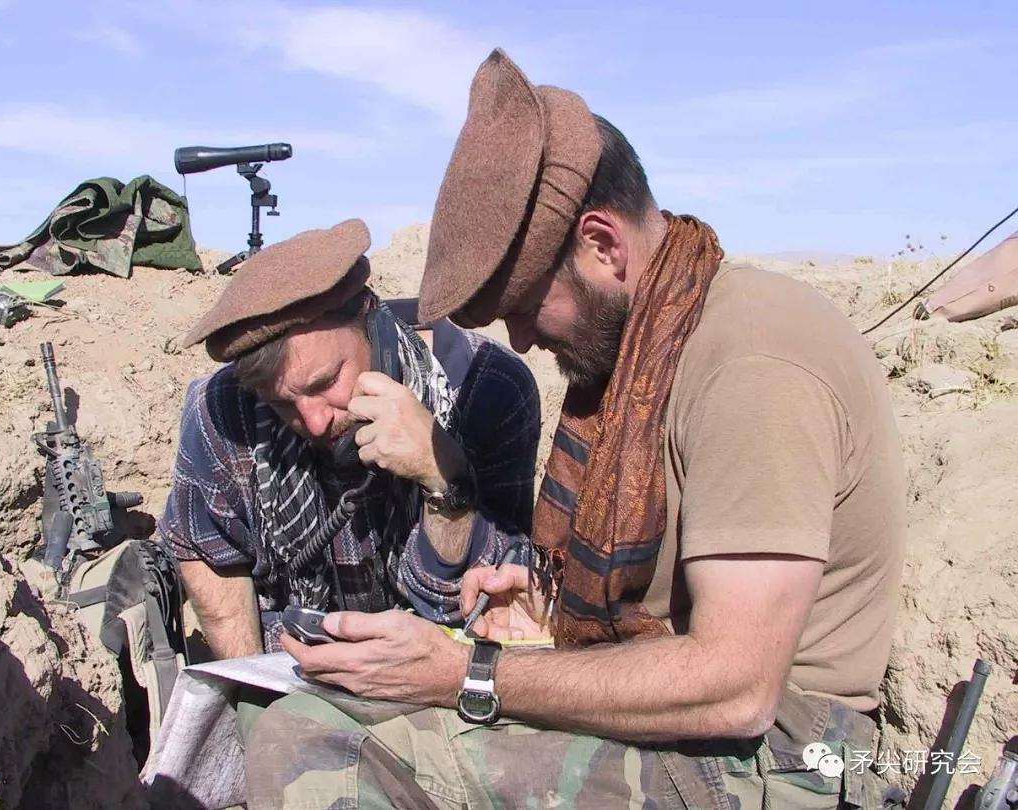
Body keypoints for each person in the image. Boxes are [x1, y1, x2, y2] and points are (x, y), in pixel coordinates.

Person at [242, 52, 908, 809]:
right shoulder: (652, 341)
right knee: (300, 710)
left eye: (528, 306)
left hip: (781, 756)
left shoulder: (754, 364)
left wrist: (465, 674)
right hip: (708, 732)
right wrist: (552, 609)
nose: (522, 340)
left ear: (603, 244)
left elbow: (738, 686)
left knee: (313, 745)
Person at [157, 218, 540, 658]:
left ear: (374, 327)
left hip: (433, 662)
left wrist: (442, 475)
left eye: (326, 382)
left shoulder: (489, 389)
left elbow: (475, 604)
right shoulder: (220, 410)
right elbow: (208, 553)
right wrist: (249, 684)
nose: (315, 422)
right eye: (283, 404)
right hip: (289, 663)